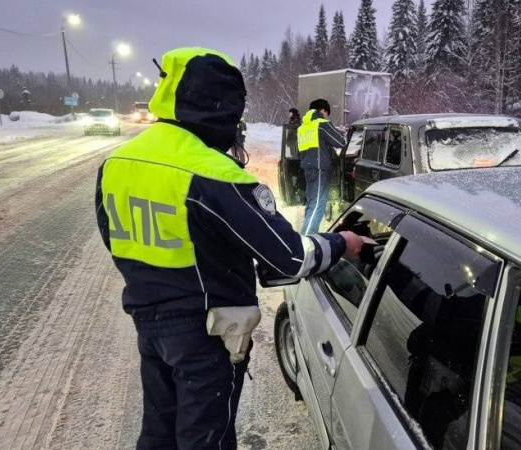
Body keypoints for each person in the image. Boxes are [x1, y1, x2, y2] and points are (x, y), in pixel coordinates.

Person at [94, 47, 364, 450]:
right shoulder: (214, 173)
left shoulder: (118, 162)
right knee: (207, 440)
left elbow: (114, 237)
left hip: (148, 323)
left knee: (159, 433)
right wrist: (344, 242)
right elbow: (288, 257)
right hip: (206, 333)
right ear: (221, 110)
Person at [297, 99, 347, 234]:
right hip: (319, 170)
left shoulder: (303, 128)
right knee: (318, 204)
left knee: (311, 203)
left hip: (308, 169)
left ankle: (306, 233)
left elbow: (299, 152)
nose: (327, 116)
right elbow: (340, 142)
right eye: (327, 113)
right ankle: (307, 238)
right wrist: (343, 133)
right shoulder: (322, 124)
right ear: (323, 110)